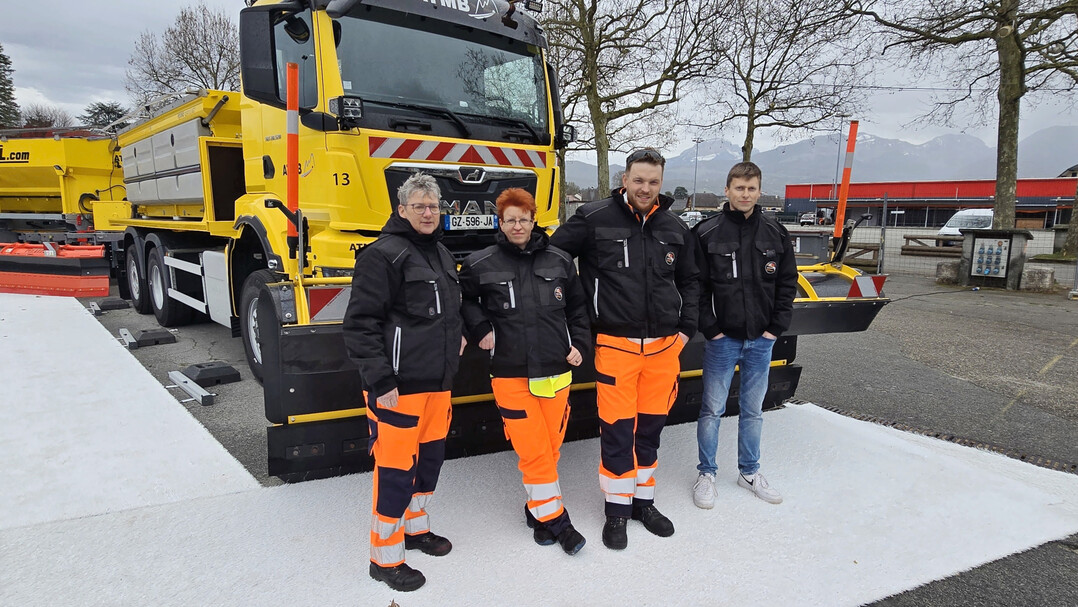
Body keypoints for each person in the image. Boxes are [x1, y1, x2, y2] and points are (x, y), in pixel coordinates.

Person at [550, 148, 699, 550]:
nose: (645, 188)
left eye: (653, 182)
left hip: (664, 349)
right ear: (625, 179)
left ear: (661, 183)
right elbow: (552, 260)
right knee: (617, 431)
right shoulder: (593, 219)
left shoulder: (674, 227)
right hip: (615, 346)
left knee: (649, 429)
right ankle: (616, 510)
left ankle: (643, 503)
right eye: (638, 180)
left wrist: (687, 328)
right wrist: (573, 317)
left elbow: (691, 281)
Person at [342, 172, 466, 592]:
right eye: (419, 206)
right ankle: (385, 558)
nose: (428, 213)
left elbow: (446, 312)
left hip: (437, 384)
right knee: (395, 471)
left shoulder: (442, 254)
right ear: (402, 210)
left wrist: (460, 335)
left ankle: (415, 531)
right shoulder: (383, 255)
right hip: (398, 388)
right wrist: (380, 380)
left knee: (427, 463)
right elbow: (360, 324)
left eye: (433, 206)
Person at [458, 187, 591, 556]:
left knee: (549, 450)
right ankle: (561, 524)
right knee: (533, 452)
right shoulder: (480, 263)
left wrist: (580, 345)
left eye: (524, 219)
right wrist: (480, 328)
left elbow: (578, 310)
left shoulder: (561, 261)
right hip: (510, 375)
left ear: (535, 221)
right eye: (510, 220)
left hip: (556, 374)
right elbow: (464, 299)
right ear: (500, 223)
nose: (517, 225)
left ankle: (537, 513)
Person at [691, 161, 797, 509]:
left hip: (761, 341)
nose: (745, 194)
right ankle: (706, 473)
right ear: (727, 190)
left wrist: (774, 329)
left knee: (753, 410)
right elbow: (695, 287)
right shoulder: (707, 233)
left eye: (751, 188)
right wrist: (712, 330)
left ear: (759, 191)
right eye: (739, 188)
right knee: (712, 409)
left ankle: (749, 471)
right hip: (723, 341)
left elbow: (786, 283)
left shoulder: (775, 232)